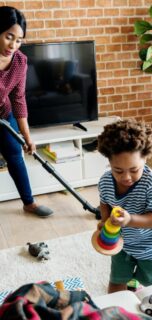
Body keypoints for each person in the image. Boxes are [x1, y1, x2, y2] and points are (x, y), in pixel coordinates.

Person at [97, 119, 152, 293]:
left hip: (151, 246)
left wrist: (129, 219)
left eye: (134, 169)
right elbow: (104, 203)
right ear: (109, 161)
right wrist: (105, 221)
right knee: (116, 282)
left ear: (146, 157)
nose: (126, 177)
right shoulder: (105, 181)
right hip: (121, 244)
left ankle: (137, 285)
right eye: (118, 170)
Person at [0, 6, 53, 217]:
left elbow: (18, 99)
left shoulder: (20, 61)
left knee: (15, 154)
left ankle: (29, 202)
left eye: (19, 40)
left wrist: (27, 137)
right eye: (8, 37)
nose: (13, 45)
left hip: (4, 115)